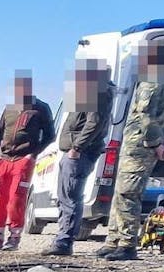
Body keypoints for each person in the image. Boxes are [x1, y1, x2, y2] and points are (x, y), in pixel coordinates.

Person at [96, 46, 164, 261]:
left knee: (127, 193)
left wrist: (156, 143)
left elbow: (145, 115)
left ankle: (126, 243)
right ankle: (114, 239)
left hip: (140, 146)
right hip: (145, 144)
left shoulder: (152, 81)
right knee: (120, 192)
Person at [45, 59, 114, 256]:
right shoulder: (90, 91)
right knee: (65, 196)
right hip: (73, 152)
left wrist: (77, 147)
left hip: (79, 153)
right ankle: (61, 238)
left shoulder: (98, 92)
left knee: (71, 197)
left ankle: (64, 242)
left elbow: (95, 123)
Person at [0, 73, 55, 252]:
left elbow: (50, 136)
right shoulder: (9, 109)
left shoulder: (41, 108)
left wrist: (33, 155)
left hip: (23, 159)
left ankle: (14, 238)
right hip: (4, 159)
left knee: (16, 199)